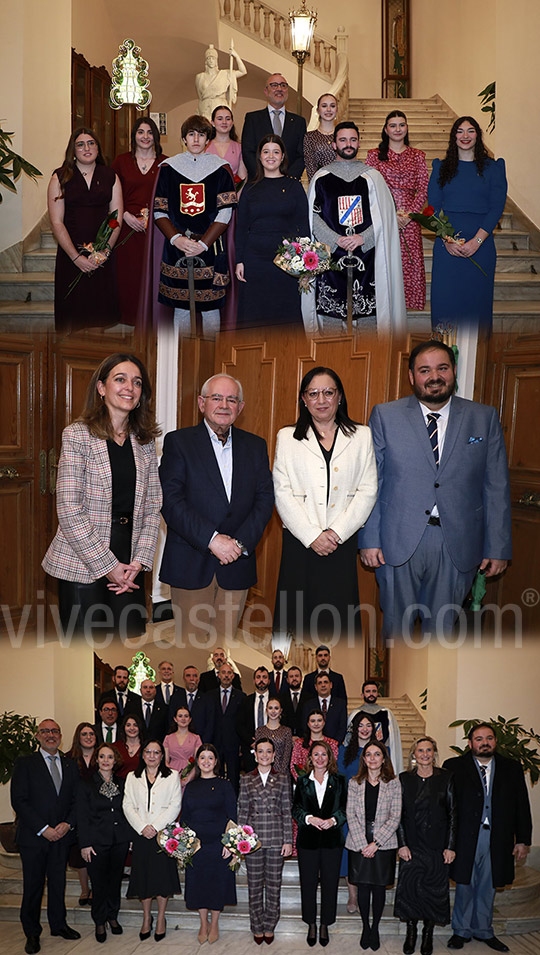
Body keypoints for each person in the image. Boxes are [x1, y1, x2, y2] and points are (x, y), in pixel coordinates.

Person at [358, 340, 512, 638]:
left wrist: (498, 547)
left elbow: (496, 486)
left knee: (441, 635)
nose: (434, 376)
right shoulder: (385, 416)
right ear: (411, 376)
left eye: (442, 368)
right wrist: (369, 539)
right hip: (396, 543)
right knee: (396, 632)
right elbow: (371, 482)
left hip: (456, 543)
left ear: (453, 371)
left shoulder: (484, 417)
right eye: (424, 370)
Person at [42, 353, 162, 637]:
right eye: (120, 379)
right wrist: (108, 566)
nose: (129, 388)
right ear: (101, 387)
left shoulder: (144, 441)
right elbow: (69, 509)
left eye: (137, 383)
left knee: (127, 646)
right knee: (84, 658)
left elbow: (153, 506)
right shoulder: (77, 435)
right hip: (83, 559)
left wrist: (139, 562)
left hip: (130, 563)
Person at [159, 374, 274, 642]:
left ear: (240, 407)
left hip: (237, 563)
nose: (224, 405)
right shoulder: (179, 442)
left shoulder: (255, 446)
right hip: (191, 561)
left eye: (231, 399)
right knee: (191, 649)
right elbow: (171, 500)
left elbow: (265, 499)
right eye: (216, 398)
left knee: (224, 652)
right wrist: (212, 540)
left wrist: (239, 543)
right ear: (202, 403)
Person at [273, 366, 377, 641]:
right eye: (313, 393)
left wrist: (336, 533)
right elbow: (282, 493)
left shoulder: (362, 436)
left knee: (338, 620)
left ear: (339, 397)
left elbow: (367, 490)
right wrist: (312, 536)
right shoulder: (287, 437)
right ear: (304, 400)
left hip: (340, 543)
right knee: (295, 620)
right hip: (300, 542)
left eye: (328, 392)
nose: (321, 400)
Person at [304, 121, 406, 336]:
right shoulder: (321, 178)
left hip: (367, 257)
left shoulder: (373, 177)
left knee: (368, 325)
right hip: (331, 257)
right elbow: (313, 216)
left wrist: (363, 238)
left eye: (352, 139)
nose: (348, 144)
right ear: (334, 144)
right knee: (331, 327)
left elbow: (385, 219)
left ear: (359, 142)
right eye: (342, 140)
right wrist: (335, 239)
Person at [443, 723, 532, 952]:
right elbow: (446, 807)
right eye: (479, 738)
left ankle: (483, 930)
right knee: (464, 883)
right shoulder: (454, 767)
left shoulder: (511, 768)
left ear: (495, 741)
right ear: (470, 743)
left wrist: (523, 839)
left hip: (498, 838)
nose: (485, 743)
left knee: (488, 885)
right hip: (465, 837)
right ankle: (460, 931)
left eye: (489, 738)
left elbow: (522, 805)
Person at [151, 114, 237, 337]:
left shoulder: (220, 169)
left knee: (210, 308)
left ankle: (213, 353)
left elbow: (225, 211)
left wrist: (203, 244)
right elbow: (159, 210)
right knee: (181, 307)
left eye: (201, 134)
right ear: (184, 138)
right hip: (177, 248)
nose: (196, 139)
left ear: (208, 139)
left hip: (209, 249)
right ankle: (184, 354)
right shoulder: (169, 168)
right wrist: (177, 239)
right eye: (191, 134)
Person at [428, 116, 507, 330]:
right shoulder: (441, 168)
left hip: (480, 246)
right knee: (446, 304)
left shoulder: (493, 168)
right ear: (454, 136)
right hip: (447, 247)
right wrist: (446, 240)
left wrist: (476, 241)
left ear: (478, 136)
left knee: (476, 305)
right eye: (460, 131)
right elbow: (431, 209)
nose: (465, 136)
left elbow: (497, 207)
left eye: (470, 131)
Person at [11, 719, 81, 954]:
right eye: (45, 731)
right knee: (33, 886)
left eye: (55, 731)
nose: (51, 735)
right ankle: (31, 933)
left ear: (60, 735)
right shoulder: (25, 763)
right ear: (38, 736)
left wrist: (67, 824)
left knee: (58, 883)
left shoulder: (71, 765)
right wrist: (43, 828)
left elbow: (76, 801)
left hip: (61, 836)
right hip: (34, 838)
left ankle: (58, 925)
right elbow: (19, 800)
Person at [48, 127, 122, 332]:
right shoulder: (59, 177)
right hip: (71, 255)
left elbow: (115, 219)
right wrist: (75, 257)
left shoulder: (111, 176)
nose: (86, 148)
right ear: (73, 150)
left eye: (91, 143)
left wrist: (104, 252)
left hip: (101, 255)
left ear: (98, 148)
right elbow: (56, 222)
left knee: (99, 318)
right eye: (80, 144)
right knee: (73, 318)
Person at [235, 134, 310, 328]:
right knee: (254, 314)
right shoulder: (249, 188)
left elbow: (303, 226)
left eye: (276, 152)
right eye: (266, 152)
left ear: (283, 156)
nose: (271, 156)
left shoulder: (294, 186)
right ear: (259, 157)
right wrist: (239, 261)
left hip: (286, 260)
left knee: (285, 316)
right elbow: (241, 227)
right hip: (255, 261)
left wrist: (305, 262)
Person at [394, 737, 456, 955]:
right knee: (410, 890)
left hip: (437, 846)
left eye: (429, 750)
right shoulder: (404, 779)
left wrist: (450, 846)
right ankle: (411, 931)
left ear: (434, 753)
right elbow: (398, 815)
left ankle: (428, 933)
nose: (425, 754)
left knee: (433, 890)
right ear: (414, 754)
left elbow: (453, 814)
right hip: (411, 844)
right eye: (420, 750)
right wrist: (401, 844)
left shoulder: (446, 777)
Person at [366, 110, 429, 310]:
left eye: (401, 125)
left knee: (410, 262)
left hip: (410, 218)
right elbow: (369, 186)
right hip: (384, 215)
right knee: (385, 258)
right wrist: (390, 213)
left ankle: (410, 303)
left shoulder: (418, 156)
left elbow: (424, 187)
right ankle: (385, 302)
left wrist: (410, 214)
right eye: (393, 125)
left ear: (407, 128)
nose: (397, 129)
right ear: (386, 129)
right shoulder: (374, 155)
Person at [123, 739, 182, 942]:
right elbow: (127, 805)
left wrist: (155, 827)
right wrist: (142, 827)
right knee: (143, 878)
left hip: (162, 835)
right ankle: (146, 918)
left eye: (156, 752)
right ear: (142, 754)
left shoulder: (172, 775)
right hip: (140, 834)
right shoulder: (132, 777)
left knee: (162, 879)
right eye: (148, 752)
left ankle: (161, 919)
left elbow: (175, 805)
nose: (152, 756)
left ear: (162, 756)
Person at [346, 740, 401, 952]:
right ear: (364, 759)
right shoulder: (354, 782)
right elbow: (350, 814)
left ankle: (375, 927)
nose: (372, 758)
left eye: (377, 754)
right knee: (362, 886)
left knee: (378, 888)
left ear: (383, 758)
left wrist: (376, 844)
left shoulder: (394, 783)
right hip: (358, 842)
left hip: (384, 844)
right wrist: (363, 844)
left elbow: (395, 817)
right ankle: (365, 927)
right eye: (368, 754)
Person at [112, 116, 168, 325]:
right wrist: (125, 215)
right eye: (141, 132)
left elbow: (169, 196)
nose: (145, 137)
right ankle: (128, 317)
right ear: (134, 136)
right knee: (128, 273)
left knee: (153, 272)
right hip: (126, 227)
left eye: (150, 132)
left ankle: (151, 316)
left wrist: (154, 218)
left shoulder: (166, 163)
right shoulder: (121, 161)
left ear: (156, 136)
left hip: (156, 229)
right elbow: (112, 195)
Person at [238, 738, 293, 943]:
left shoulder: (283, 778)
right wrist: (240, 840)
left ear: (274, 755)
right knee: (254, 886)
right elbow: (242, 811)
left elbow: (287, 811)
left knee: (273, 886)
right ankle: (256, 925)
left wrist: (288, 840)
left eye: (268, 752)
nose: (264, 755)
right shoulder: (246, 779)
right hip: (252, 841)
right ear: (255, 754)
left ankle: (270, 925)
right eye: (260, 751)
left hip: (276, 837)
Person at [292, 740, 347, 947]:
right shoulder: (302, 781)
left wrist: (333, 820)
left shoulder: (340, 780)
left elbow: (344, 808)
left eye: (324, 754)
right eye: (316, 754)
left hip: (332, 841)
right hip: (308, 841)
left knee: (330, 884)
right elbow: (295, 808)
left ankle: (325, 923)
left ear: (329, 758)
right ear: (310, 758)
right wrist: (309, 818)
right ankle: (311, 924)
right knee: (307, 884)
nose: (320, 758)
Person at [181, 744, 237, 944]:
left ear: (216, 762)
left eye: (210, 758)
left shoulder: (225, 785)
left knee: (217, 884)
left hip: (218, 844)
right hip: (196, 845)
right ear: (197, 761)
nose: (206, 761)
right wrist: (184, 843)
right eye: (202, 757)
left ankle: (214, 924)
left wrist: (229, 844)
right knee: (198, 884)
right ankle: (203, 923)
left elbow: (233, 816)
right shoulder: (191, 786)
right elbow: (185, 817)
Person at [77, 743, 131, 942]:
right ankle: (99, 920)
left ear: (115, 760)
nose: (106, 760)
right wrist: (85, 843)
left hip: (120, 840)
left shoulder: (123, 782)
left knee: (114, 881)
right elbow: (81, 816)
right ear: (97, 760)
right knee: (99, 883)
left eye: (110, 757)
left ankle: (112, 916)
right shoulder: (86, 784)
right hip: (96, 842)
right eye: (102, 757)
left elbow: (128, 811)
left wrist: (130, 837)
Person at [337, 713, 377, 913]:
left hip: (373, 811)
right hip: (349, 809)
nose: (364, 729)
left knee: (369, 852)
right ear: (354, 729)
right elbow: (338, 780)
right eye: (360, 725)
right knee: (349, 853)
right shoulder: (344, 751)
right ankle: (353, 896)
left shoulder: (380, 750)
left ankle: (365, 893)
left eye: (368, 725)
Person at [241, 72, 306, 181]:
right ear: (266, 91)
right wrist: (263, 175)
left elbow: (302, 155)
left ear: (287, 91)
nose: (279, 89)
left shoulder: (299, 122)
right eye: (274, 85)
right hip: (259, 182)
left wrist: (289, 178)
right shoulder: (252, 119)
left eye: (283, 85)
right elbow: (248, 152)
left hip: (289, 184)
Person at [66, 723, 96, 907]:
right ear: (78, 737)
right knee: (79, 853)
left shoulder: (103, 755)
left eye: (91, 733)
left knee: (96, 851)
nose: (88, 737)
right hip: (76, 810)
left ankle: (95, 888)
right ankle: (85, 889)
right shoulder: (69, 758)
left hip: (97, 811)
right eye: (84, 734)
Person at [346, 681, 404, 774]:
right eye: (368, 691)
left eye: (374, 691)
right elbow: (349, 738)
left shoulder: (386, 713)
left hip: (380, 757)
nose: (371, 694)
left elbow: (392, 739)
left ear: (377, 693)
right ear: (362, 694)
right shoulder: (356, 714)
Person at [206, 663, 246, 793]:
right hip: (214, 742)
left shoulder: (241, 696)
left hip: (233, 743)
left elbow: (242, 723)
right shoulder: (209, 696)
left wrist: (241, 744)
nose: (226, 676)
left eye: (229, 673)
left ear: (233, 676)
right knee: (215, 773)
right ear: (219, 675)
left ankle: (232, 803)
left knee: (233, 776)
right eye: (223, 673)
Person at [195, 42, 247, 120]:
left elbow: (243, 71)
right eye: (209, 58)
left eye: (213, 58)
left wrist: (236, 55)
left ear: (216, 60)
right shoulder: (200, 77)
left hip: (220, 105)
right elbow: (200, 97)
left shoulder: (225, 74)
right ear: (206, 61)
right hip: (205, 109)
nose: (211, 60)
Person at [237, 666, 271, 772]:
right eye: (258, 677)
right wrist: (251, 742)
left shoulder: (276, 700)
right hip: (250, 748)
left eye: (264, 677)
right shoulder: (245, 700)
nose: (261, 680)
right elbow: (239, 724)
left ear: (269, 680)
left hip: (271, 748)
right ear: (254, 680)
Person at [168, 665, 214, 742]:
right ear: (184, 678)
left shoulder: (207, 699)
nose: (191, 679)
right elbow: (171, 720)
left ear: (198, 679)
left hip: (201, 742)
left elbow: (210, 724)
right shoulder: (175, 698)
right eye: (188, 676)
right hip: (179, 742)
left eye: (195, 676)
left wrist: (203, 743)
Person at [290, 709, 339, 781]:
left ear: (324, 723)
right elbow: (293, 766)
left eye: (319, 720)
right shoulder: (299, 743)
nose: (316, 724)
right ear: (308, 724)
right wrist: (304, 783)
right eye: (313, 721)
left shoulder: (332, 744)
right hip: (305, 785)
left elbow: (333, 766)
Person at [300, 673, 347, 745]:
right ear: (316, 687)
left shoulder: (340, 704)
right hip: (313, 746)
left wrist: (333, 745)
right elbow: (305, 727)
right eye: (320, 683)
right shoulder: (308, 705)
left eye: (325, 682)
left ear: (331, 685)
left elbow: (342, 728)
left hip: (335, 746)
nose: (323, 685)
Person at [163, 704, 202, 786]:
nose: (183, 719)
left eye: (186, 716)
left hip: (190, 774)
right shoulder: (168, 738)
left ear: (190, 719)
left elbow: (197, 761)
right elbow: (166, 761)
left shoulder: (196, 738)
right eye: (180, 716)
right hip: (172, 774)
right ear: (175, 719)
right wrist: (172, 776)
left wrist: (188, 778)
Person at [206, 104, 247, 180]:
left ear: (232, 122)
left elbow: (242, 178)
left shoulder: (239, 148)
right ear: (212, 123)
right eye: (220, 119)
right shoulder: (204, 147)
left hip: (232, 191)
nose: (224, 122)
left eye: (228, 119)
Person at [253, 697, 293, 775]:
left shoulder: (287, 731)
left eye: (276, 708)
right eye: (270, 708)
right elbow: (258, 755)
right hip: (263, 772)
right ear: (266, 710)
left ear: (281, 710)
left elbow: (287, 756)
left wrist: (279, 775)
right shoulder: (260, 731)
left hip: (282, 773)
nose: (273, 711)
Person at [303, 92, 338, 181]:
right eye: (324, 106)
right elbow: (310, 167)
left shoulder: (343, 136)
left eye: (332, 106)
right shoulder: (309, 137)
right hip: (319, 187)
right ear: (318, 110)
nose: (329, 109)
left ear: (337, 110)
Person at [280, 666, 310, 738]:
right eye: (291, 676)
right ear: (287, 679)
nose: (294, 679)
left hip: (305, 738)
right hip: (285, 738)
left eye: (296, 676)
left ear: (301, 678)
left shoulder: (310, 698)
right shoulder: (280, 698)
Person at [114, 712, 145, 779]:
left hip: (141, 784)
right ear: (124, 727)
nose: (132, 728)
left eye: (135, 725)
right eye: (128, 725)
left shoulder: (146, 747)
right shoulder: (115, 747)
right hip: (120, 785)